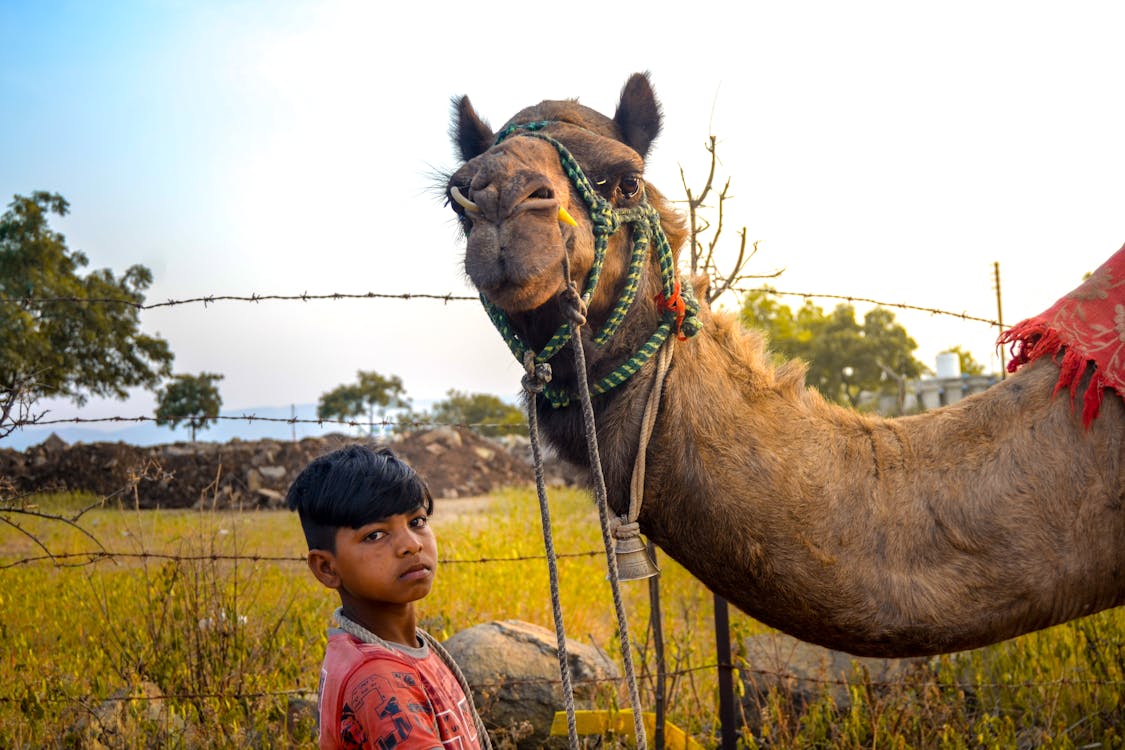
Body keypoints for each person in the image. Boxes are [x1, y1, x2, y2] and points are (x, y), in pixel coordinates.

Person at [287, 443, 491, 750]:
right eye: (375, 535)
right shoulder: (378, 681)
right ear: (327, 568)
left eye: (417, 522)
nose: (410, 545)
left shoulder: (404, 648)